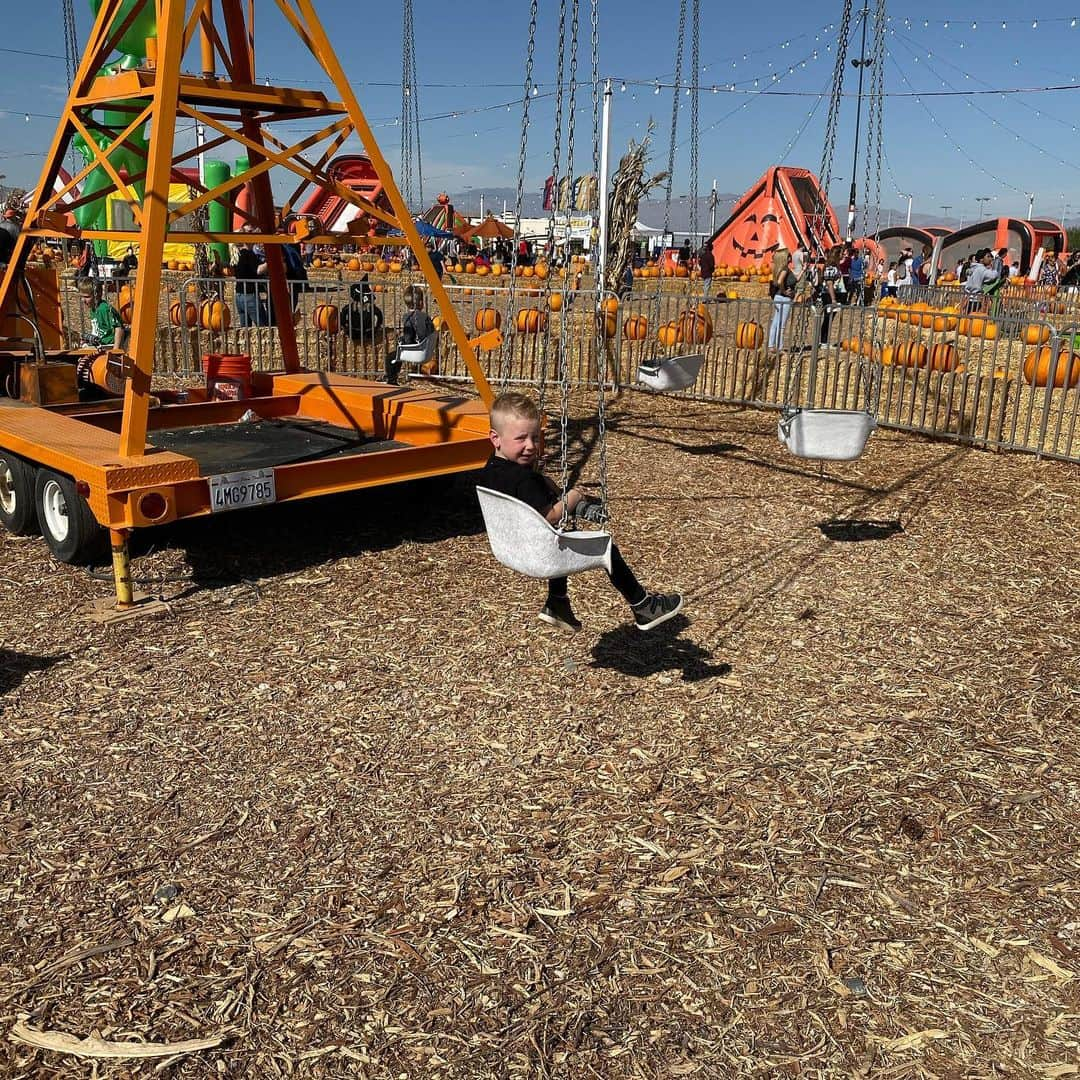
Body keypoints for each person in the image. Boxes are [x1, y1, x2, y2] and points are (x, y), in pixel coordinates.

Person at [477, 391, 683, 633]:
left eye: (535, 437)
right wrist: (575, 496)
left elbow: (538, 486)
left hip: (509, 548)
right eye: (521, 438)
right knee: (606, 547)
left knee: (565, 528)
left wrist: (548, 485)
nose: (531, 446)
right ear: (496, 438)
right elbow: (550, 516)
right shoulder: (524, 480)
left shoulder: (491, 469)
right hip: (540, 555)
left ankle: (558, 602)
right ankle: (643, 605)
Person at [385, 284, 435, 385]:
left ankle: (391, 380)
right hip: (426, 349)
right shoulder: (426, 317)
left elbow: (409, 338)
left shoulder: (408, 318)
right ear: (421, 303)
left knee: (390, 357)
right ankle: (393, 379)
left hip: (417, 351)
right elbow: (430, 331)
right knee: (397, 355)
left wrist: (403, 341)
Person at [233, 229, 269, 326]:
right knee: (263, 327)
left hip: (238, 295)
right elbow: (258, 270)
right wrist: (271, 262)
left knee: (245, 329)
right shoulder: (249, 254)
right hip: (249, 295)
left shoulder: (237, 254)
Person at [78, 280, 126, 349]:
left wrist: (116, 350)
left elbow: (119, 328)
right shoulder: (94, 308)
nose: (83, 300)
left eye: (87, 297)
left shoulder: (104, 309)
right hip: (100, 343)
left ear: (98, 294)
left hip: (109, 345)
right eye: (81, 297)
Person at [767, 248, 797, 351]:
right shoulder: (785, 269)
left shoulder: (779, 268)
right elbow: (780, 282)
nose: (790, 257)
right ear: (785, 258)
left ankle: (771, 345)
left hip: (777, 297)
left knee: (775, 322)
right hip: (784, 298)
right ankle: (779, 347)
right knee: (782, 324)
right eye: (788, 255)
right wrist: (784, 292)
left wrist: (803, 270)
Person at [339, 277, 384, 343]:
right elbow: (379, 315)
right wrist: (376, 327)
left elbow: (343, 313)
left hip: (355, 332)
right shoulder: (370, 307)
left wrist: (344, 325)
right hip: (366, 332)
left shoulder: (351, 306)